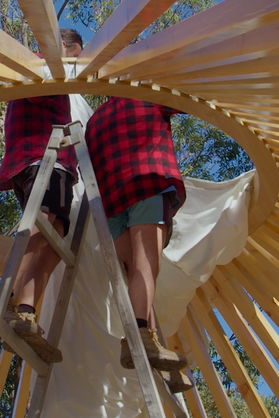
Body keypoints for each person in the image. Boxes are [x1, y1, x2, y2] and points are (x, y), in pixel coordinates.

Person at [0, 28, 85, 363]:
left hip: (40, 160)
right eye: (72, 59)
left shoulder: (41, 68)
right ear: (62, 47)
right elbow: (41, 94)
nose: (71, 69)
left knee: (56, 234)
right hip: (41, 155)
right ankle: (5, 301)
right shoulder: (40, 65)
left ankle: (26, 312)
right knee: (43, 224)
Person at [84, 96, 189, 372]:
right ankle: (137, 336)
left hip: (111, 207)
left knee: (136, 273)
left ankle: (149, 341)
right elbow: (190, 97)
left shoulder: (94, 122)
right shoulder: (148, 96)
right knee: (146, 265)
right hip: (147, 185)